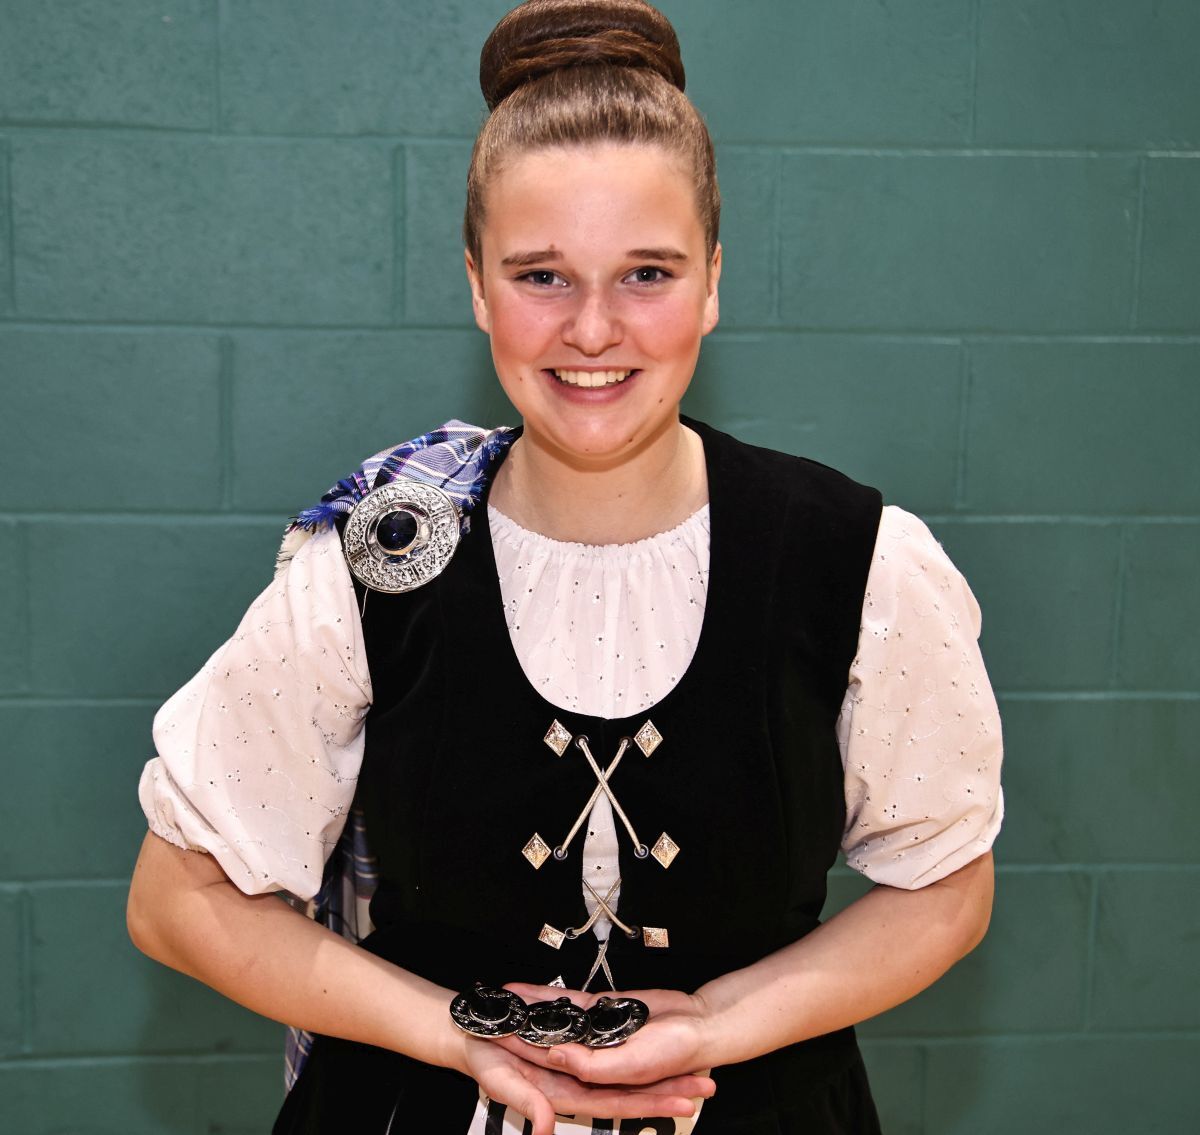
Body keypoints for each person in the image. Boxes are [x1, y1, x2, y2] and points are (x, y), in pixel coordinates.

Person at [127, 2, 1002, 1132]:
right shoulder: (380, 557)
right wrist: (453, 1032)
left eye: (648, 272)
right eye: (542, 275)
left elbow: (946, 885)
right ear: (477, 285)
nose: (593, 330)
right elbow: (176, 901)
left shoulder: (857, 560)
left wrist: (719, 1024)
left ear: (715, 281)